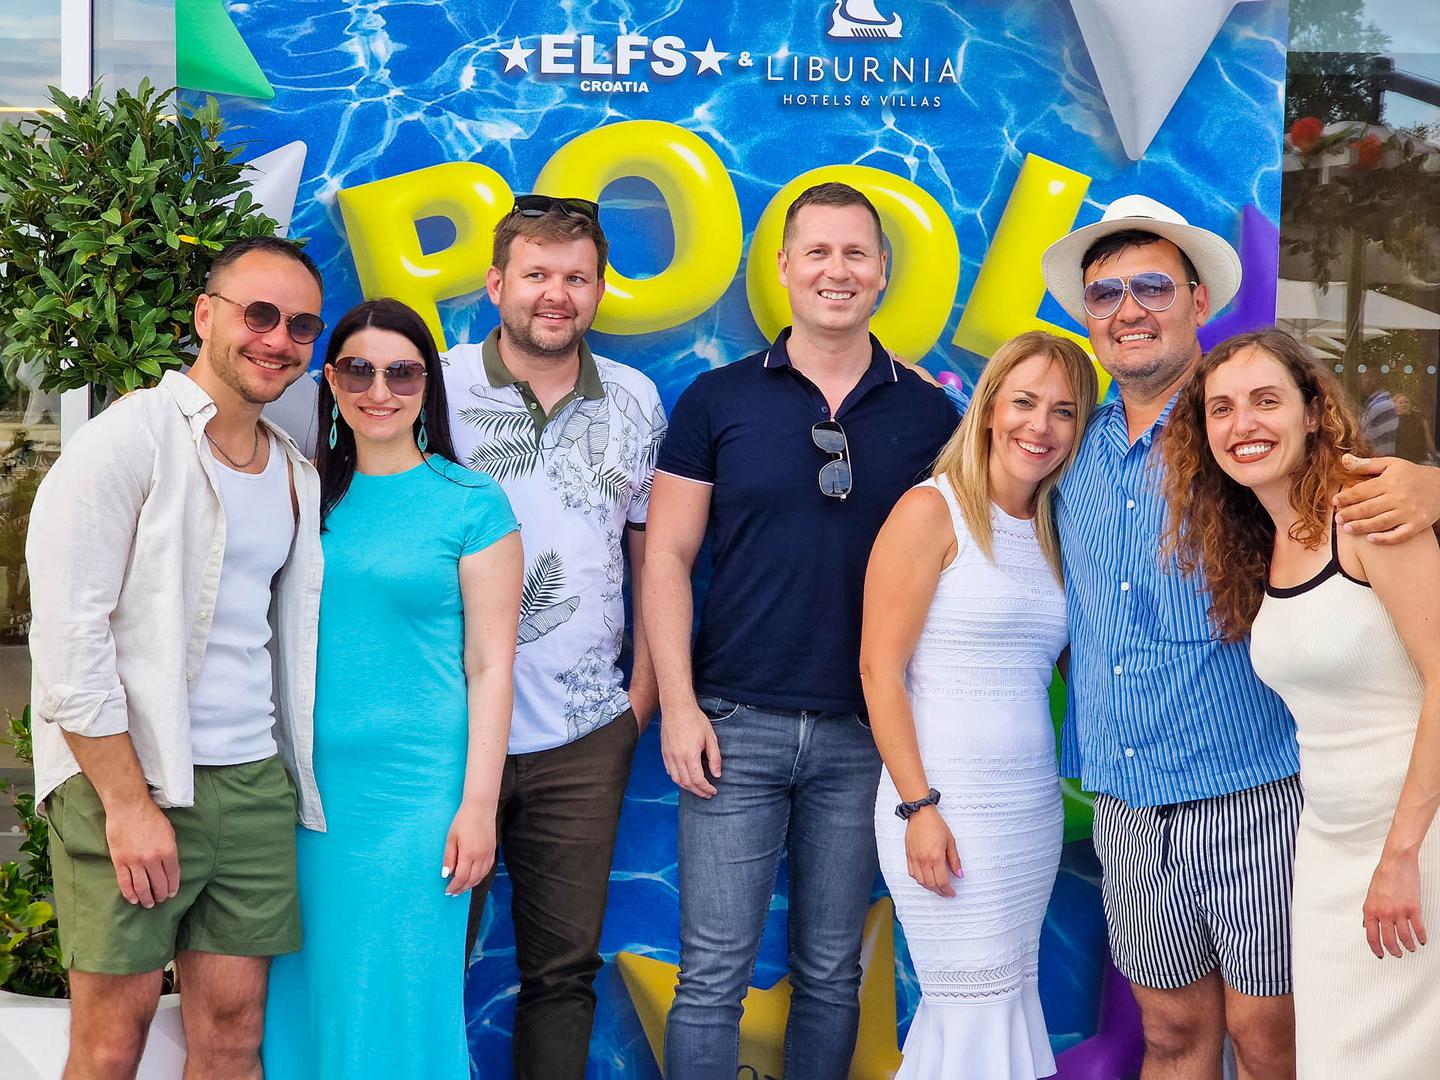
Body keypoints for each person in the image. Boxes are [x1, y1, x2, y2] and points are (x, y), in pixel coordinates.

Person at [1039, 195, 1440, 1077]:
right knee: (1171, 1038)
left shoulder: (1244, 435)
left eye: (1153, 287)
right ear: (1088, 317)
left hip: (1255, 793)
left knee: (1271, 1042)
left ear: (1197, 301)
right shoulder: (1068, 453)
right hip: (1127, 803)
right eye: (1106, 293)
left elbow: (1359, 494)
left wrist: (1431, 484)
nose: (1129, 309)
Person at [645, 181, 959, 1079]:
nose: (837, 270)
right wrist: (679, 706)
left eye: (856, 253)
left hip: (865, 735)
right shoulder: (716, 400)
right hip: (731, 727)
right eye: (817, 252)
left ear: (883, 271)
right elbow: (666, 556)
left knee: (831, 975)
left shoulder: (929, 415)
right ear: (784, 268)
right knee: (711, 978)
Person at [26, 236, 327, 1078]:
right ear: (205, 315)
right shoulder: (128, 441)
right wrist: (127, 805)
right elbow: (70, 639)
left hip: (252, 784)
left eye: (301, 325)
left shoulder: (294, 473)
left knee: (232, 1037)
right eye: (258, 314)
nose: (278, 339)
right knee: (109, 1044)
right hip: (131, 778)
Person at [1161, 328, 1440, 1079]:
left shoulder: (1369, 516)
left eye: (1265, 401)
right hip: (1326, 851)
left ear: (1314, 412)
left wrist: (1402, 856)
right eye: (1221, 409)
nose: (1242, 424)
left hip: (1414, 844)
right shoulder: (1262, 539)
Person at [262, 298, 523, 1080]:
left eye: (402, 372)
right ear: (331, 382)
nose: (380, 390)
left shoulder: (472, 503)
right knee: (310, 996)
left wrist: (477, 806)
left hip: (419, 800)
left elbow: (491, 666)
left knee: (404, 998)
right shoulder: (298, 495)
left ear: (427, 385)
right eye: (359, 370)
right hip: (306, 799)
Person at [443, 195, 666, 1078]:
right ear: (496, 283)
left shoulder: (637, 400)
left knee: (564, 973)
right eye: (536, 273)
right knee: (425, 960)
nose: (556, 294)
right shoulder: (434, 387)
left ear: (599, 290)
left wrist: (639, 700)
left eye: (576, 277)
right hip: (449, 726)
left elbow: (652, 555)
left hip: (583, 735)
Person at [861, 331, 1097, 1079]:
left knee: (996, 1012)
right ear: (990, 407)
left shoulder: (1054, 529)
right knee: (972, 1011)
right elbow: (878, 671)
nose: (1041, 426)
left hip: (1027, 811)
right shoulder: (931, 510)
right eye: (1024, 402)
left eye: (1064, 411)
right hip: (944, 806)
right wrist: (918, 808)